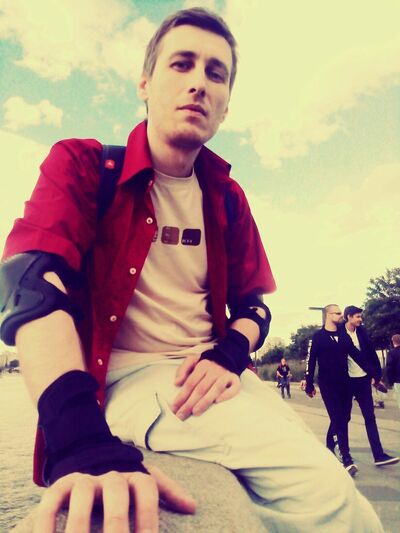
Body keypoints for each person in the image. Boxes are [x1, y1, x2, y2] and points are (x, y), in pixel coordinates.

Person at [0, 8, 384, 533]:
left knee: (335, 496)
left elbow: (253, 307)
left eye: (215, 73)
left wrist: (229, 355)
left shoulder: (226, 197)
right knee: (329, 499)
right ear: (145, 83)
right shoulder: (84, 166)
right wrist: (79, 440)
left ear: (226, 104)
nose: (199, 83)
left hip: (219, 375)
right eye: (181, 64)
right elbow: (30, 284)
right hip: (133, 380)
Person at [328, 305, 398, 467]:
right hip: (346, 382)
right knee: (342, 417)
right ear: (349, 317)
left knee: (370, 417)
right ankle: (331, 446)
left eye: (361, 316)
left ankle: (379, 456)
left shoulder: (362, 332)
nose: (361, 319)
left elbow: (371, 354)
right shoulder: (338, 333)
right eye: (358, 316)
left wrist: (376, 376)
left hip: (363, 380)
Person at [305, 304, 368, 477]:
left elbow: (357, 356)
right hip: (327, 385)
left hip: (345, 383)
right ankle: (347, 459)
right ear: (328, 315)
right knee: (338, 418)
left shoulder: (343, 336)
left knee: (344, 417)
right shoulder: (318, 337)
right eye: (337, 313)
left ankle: (329, 445)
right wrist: (309, 384)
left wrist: (374, 374)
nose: (341, 315)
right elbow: (311, 361)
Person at [387, 334, 400, 409]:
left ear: (393, 341)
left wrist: (390, 382)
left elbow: (390, 368)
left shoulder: (392, 353)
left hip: (398, 381)